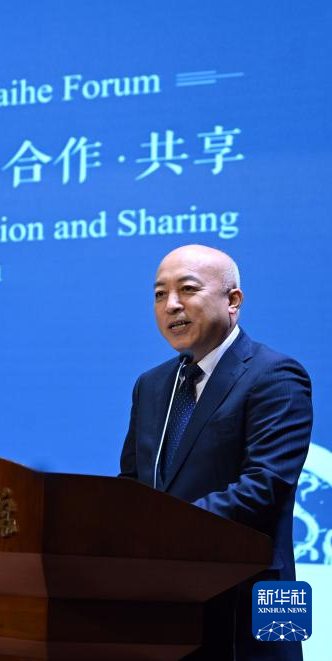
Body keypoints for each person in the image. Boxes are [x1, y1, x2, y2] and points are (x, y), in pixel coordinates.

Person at [119, 244, 312, 660]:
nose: (171, 305)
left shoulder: (275, 375)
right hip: (166, 601)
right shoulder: (151, 385)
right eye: (159, 294)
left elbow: (265, 487)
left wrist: (164, 529)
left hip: (253, 601)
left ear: (233, 301)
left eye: (187, 289)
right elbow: (133, 484)